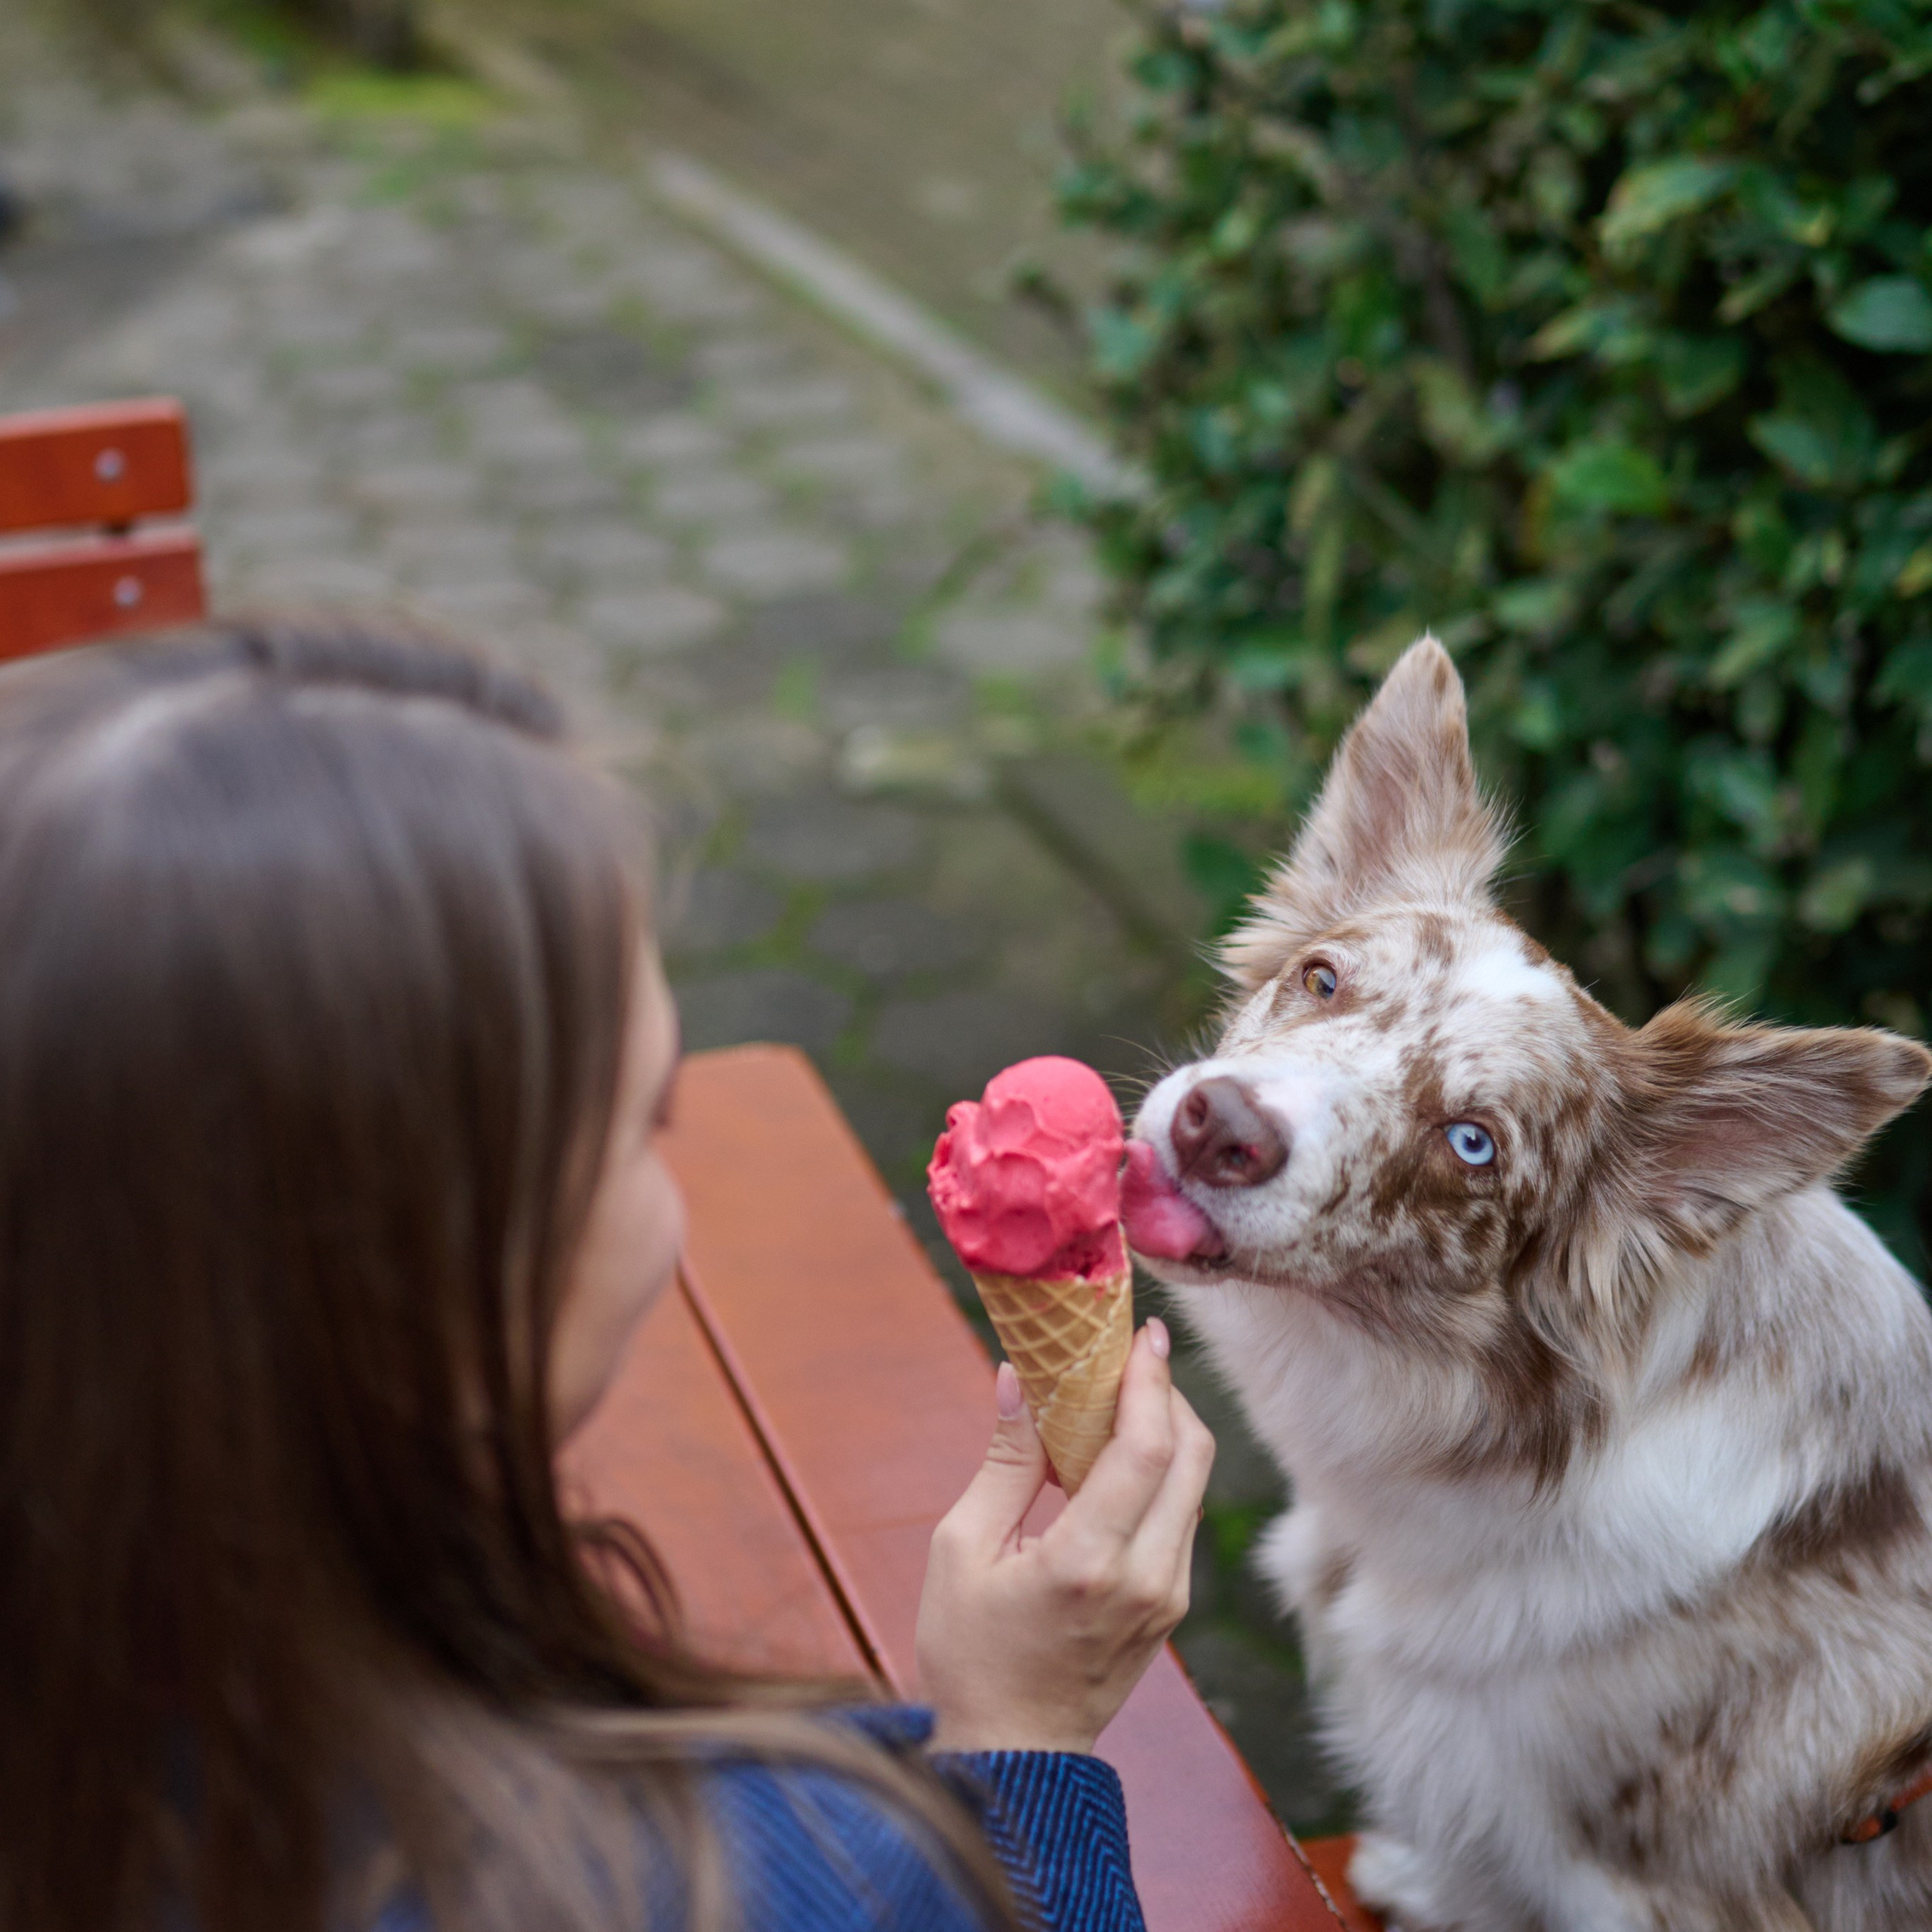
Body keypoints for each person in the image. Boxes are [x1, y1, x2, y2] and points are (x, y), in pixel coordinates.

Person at [0, 620, 1216, 1932]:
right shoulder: (791, 1877)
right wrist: (1022, 1752)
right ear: (417, 1296)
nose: (679, 1201)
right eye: (649, 1122)